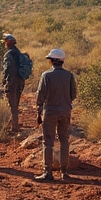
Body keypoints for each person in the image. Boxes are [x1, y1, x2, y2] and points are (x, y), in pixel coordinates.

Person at [34, 48, 77, 182]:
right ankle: (64, 172)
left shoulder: (46, 75)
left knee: (48, 142)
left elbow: (40, 95)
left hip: (50, 112)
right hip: (65, 111)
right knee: (64, 141)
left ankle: (48, 172)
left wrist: (39, 110)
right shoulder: (69, 75)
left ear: (52, 61)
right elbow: (73, 95)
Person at [1, 33, 26, 132]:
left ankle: (14, 127)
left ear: (8, 43)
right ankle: (13, 123)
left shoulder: (8, 54)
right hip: (20, 81)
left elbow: (7, 69)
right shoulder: (18, 52)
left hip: (12, 82)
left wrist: (5, 80)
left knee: (12, 105)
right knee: (15, 103)